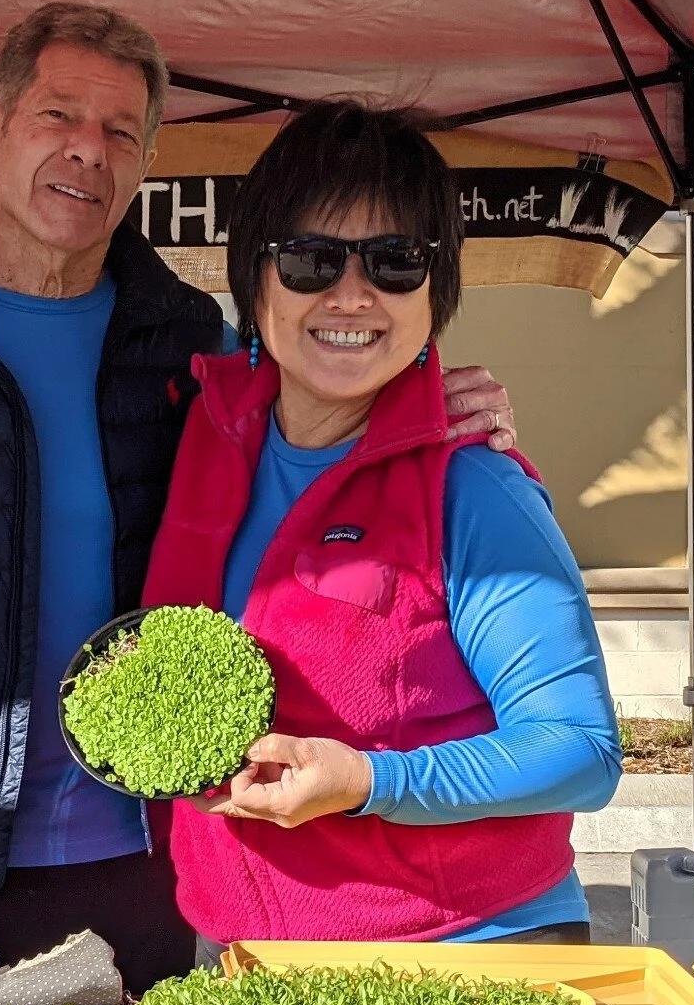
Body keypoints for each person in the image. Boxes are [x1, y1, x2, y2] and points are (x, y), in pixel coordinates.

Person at [0, 4, 521, 1005]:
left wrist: (444, 408)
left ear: (145, 163)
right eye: (59, 115)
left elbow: (337, 395)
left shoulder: (198, 342)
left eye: (121, 132)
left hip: (136, 859)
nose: (88, 149)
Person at [143, 101, 621, 953]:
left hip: (467, 955)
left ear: (436, 292)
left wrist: (370, 780)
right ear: (256, 280)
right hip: (248, 955)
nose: (352, 294)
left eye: (397, 260)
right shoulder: (203, 443)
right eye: (310, 258)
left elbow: (582, 751)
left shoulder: (473, 483)